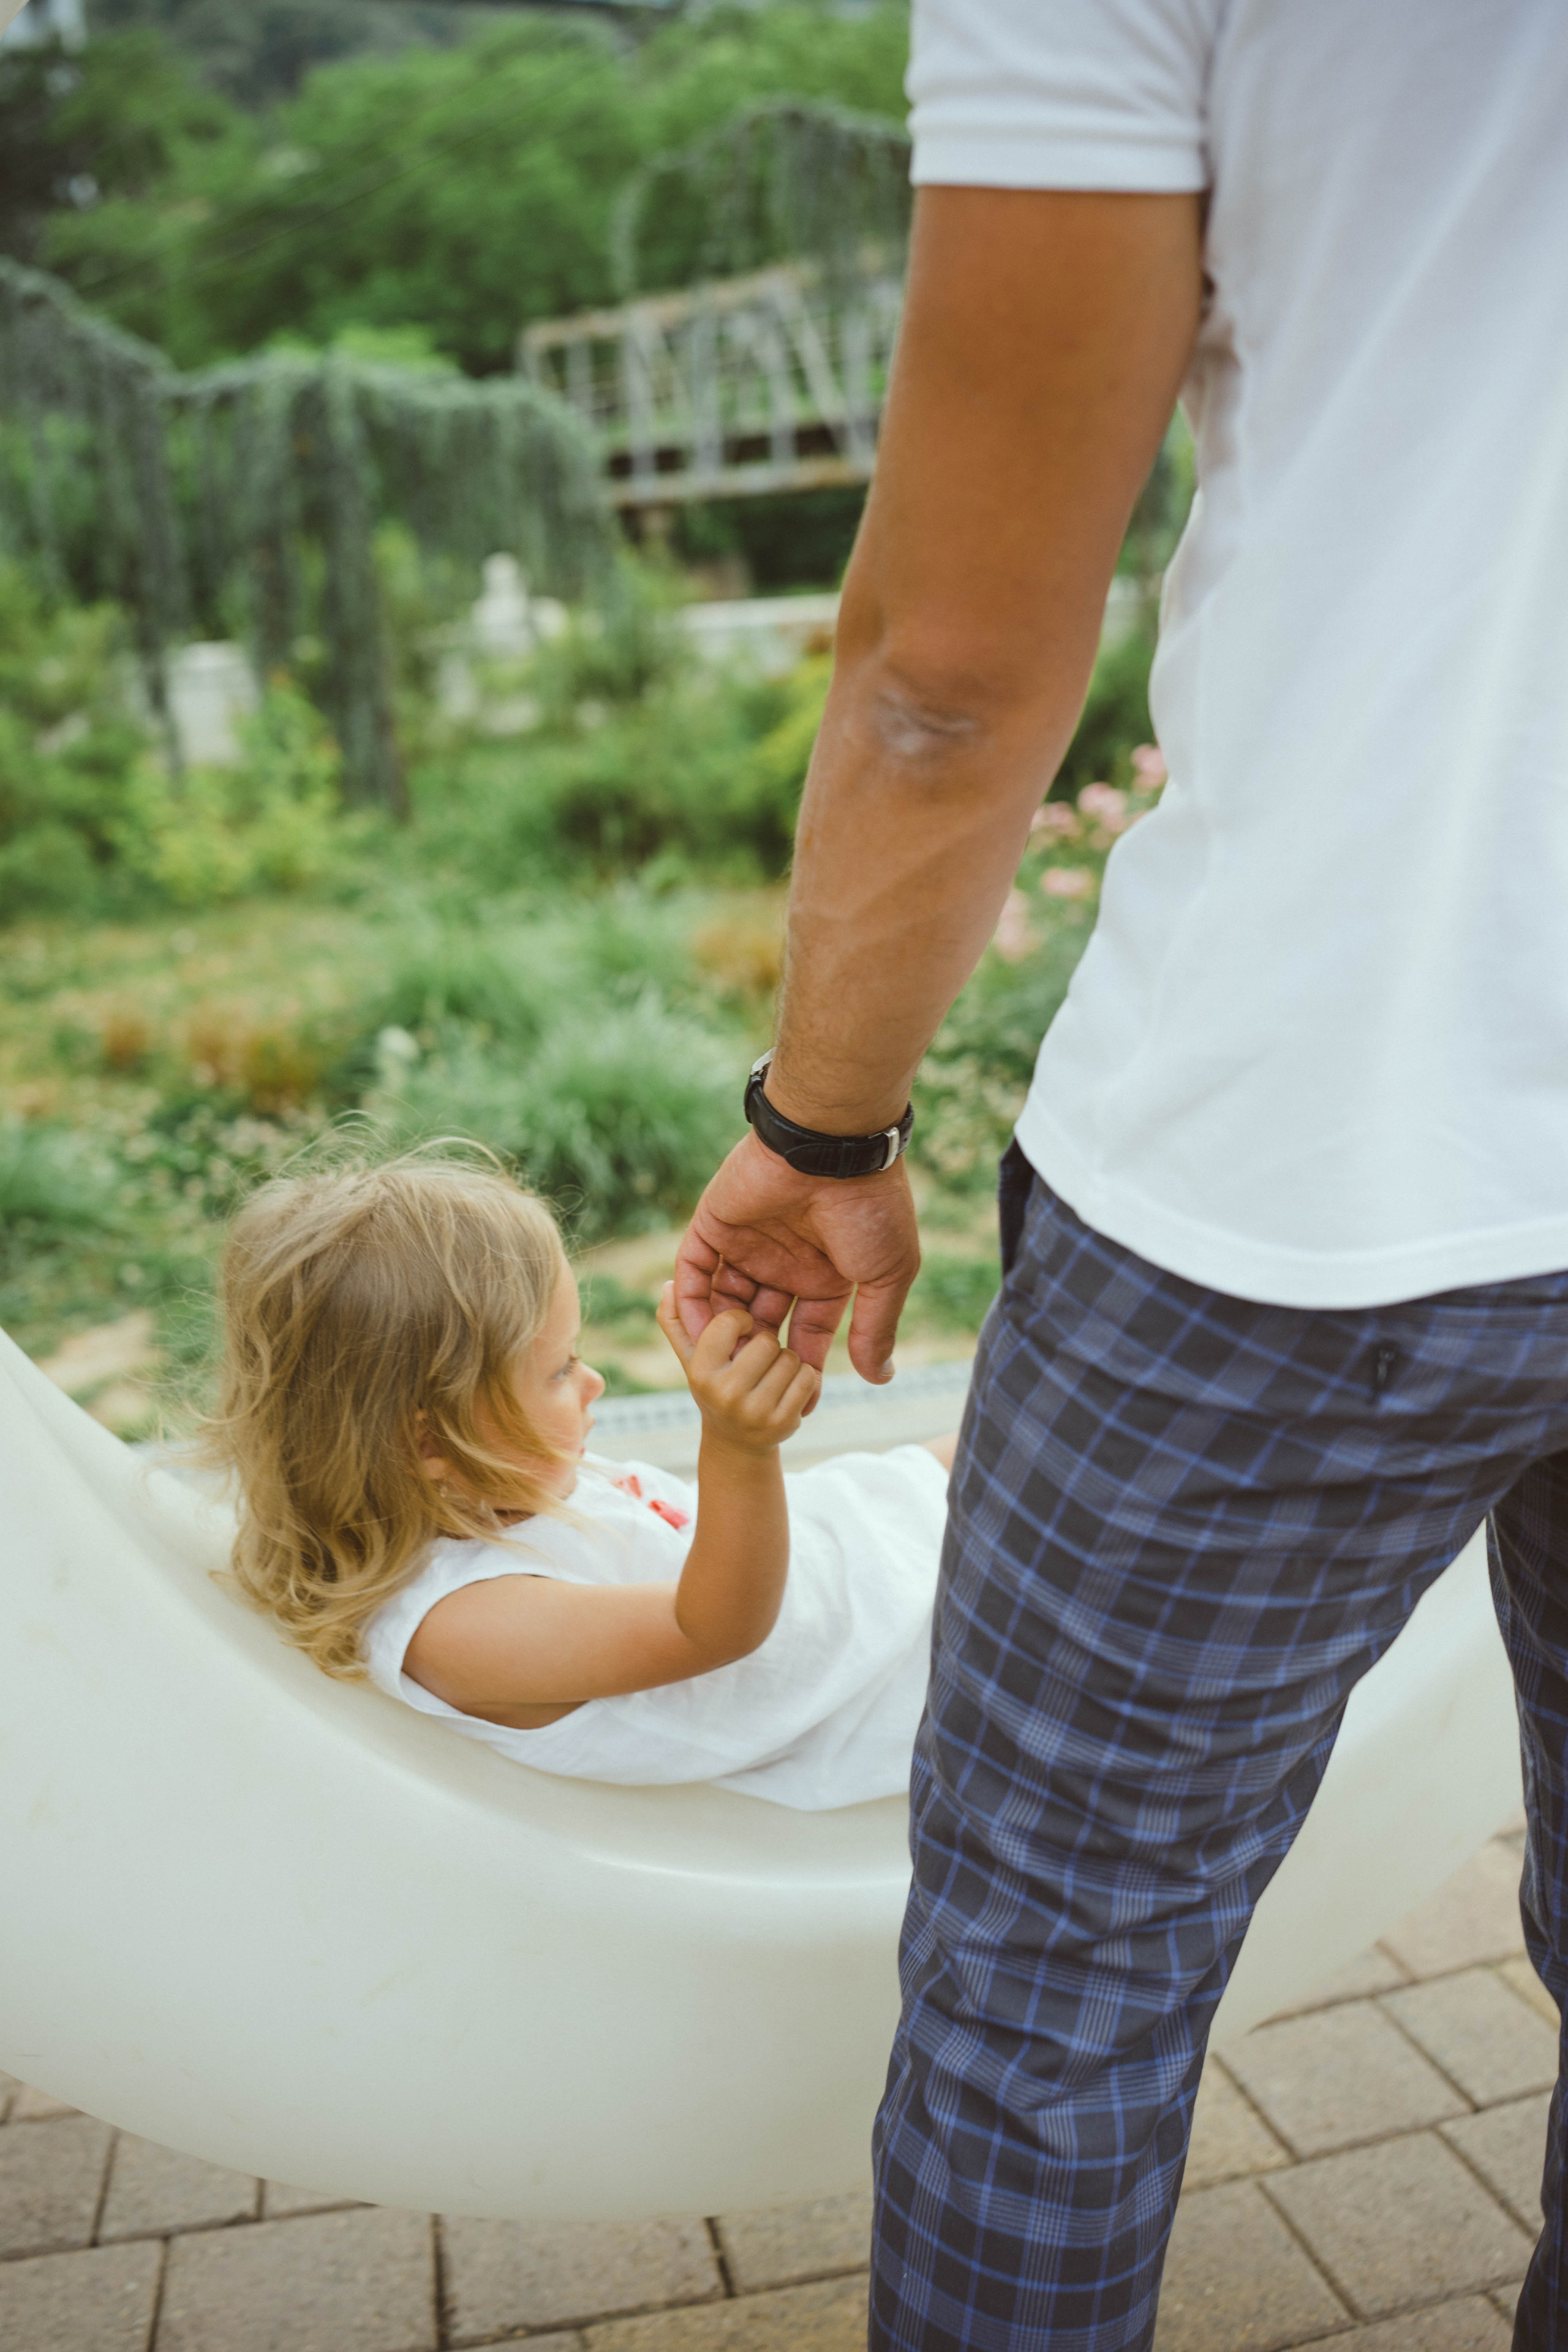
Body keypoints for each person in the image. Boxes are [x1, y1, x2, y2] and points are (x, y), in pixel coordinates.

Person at [672, 2, 1568, 2344]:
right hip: (1340, 1166)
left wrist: (817, 1123)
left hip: (1295, 1180)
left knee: (1046, 2003)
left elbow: (951, 670)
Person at [204, 1155, 957, 1811]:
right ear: (429, 1438)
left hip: (859, 1546)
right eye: (561, 1369)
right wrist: (739, 1448)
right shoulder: (459, 1627)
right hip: (903, 1668)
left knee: (1028, 1423)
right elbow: (714, 1629)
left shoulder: (491, 1484)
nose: (593, 1381)